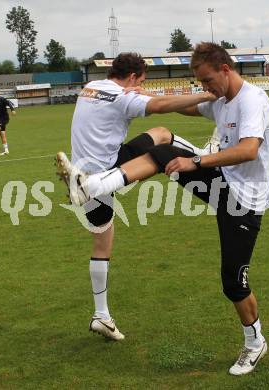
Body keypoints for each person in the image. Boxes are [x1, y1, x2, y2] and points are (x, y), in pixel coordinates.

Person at [58, 42, 269, 375]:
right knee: (163, 150)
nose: (206, 88)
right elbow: (190, 109)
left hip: (244, 199)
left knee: (233, 282)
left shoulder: (251, 100)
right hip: (220, 182)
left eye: (207, 81)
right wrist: (192, 99)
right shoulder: (220, 100)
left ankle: (254, 342)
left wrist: (197, 160)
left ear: (225, 69)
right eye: (201, 83)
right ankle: (95, 186)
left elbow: (248, 150)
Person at [56, 52, 217, 342]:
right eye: (140, 81)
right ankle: (205, 157)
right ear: (132, 77)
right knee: (162, 136)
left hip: (83, 170)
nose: (140, 85)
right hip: (109, 169)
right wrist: (204, 94)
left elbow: (135, 99)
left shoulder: (90, 88)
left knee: (102, 240)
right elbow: (160, 105)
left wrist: (139, 91)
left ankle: (101, 315)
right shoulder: (121, 97)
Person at [0, 89, 16, 155]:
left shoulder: (2, 99)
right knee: (2, 134)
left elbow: (9, 103)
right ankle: (6, 150)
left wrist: (12, 110)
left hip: (5, 118)